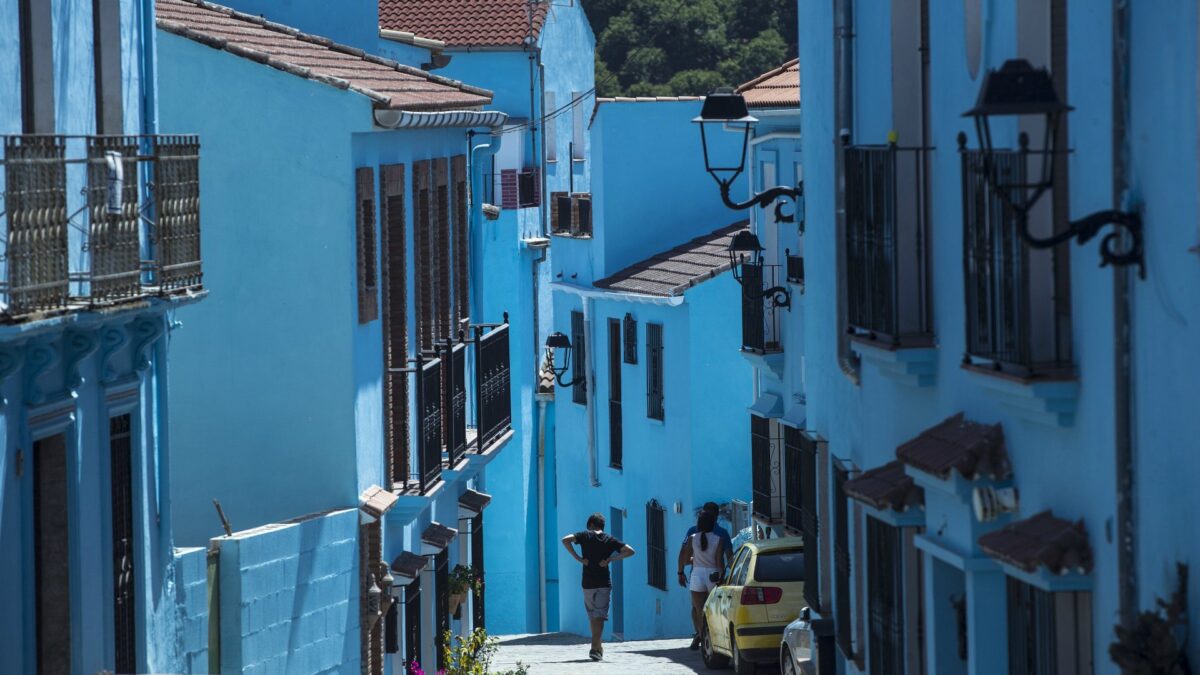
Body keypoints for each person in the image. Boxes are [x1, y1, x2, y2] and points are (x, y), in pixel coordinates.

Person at [562, 513, 636, 661]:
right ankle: (597, 646)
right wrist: (611, 559)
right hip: (604, 582)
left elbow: (565, 540)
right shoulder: (610, 539)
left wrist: (578, 559)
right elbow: (630, 551)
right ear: (602, 526)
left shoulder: (584, 535)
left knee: (593, 617)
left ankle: (594, 647)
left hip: (588, 583)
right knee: (599, 617)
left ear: (590, 525)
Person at [678, 511, 725, 650]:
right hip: (712, 575)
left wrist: (694, 560)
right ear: (713, 524)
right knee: (713, 609)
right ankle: (713, 637)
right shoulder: (719, 539)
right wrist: (722, 578)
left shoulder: (692, 538)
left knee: (699, 610)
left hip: (697, 575)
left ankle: (702, 636)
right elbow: (719, 563)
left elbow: (685, 559)